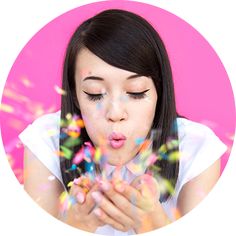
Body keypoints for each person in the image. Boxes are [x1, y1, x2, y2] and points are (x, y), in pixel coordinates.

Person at [19, 9, 227, 235]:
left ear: (159, 91)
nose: (115, 113)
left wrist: (155, 225)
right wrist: (75, 226)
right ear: (75, 96)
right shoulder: (47, 141)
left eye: (136, 92)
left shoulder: (196, 148)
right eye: (95, 93)